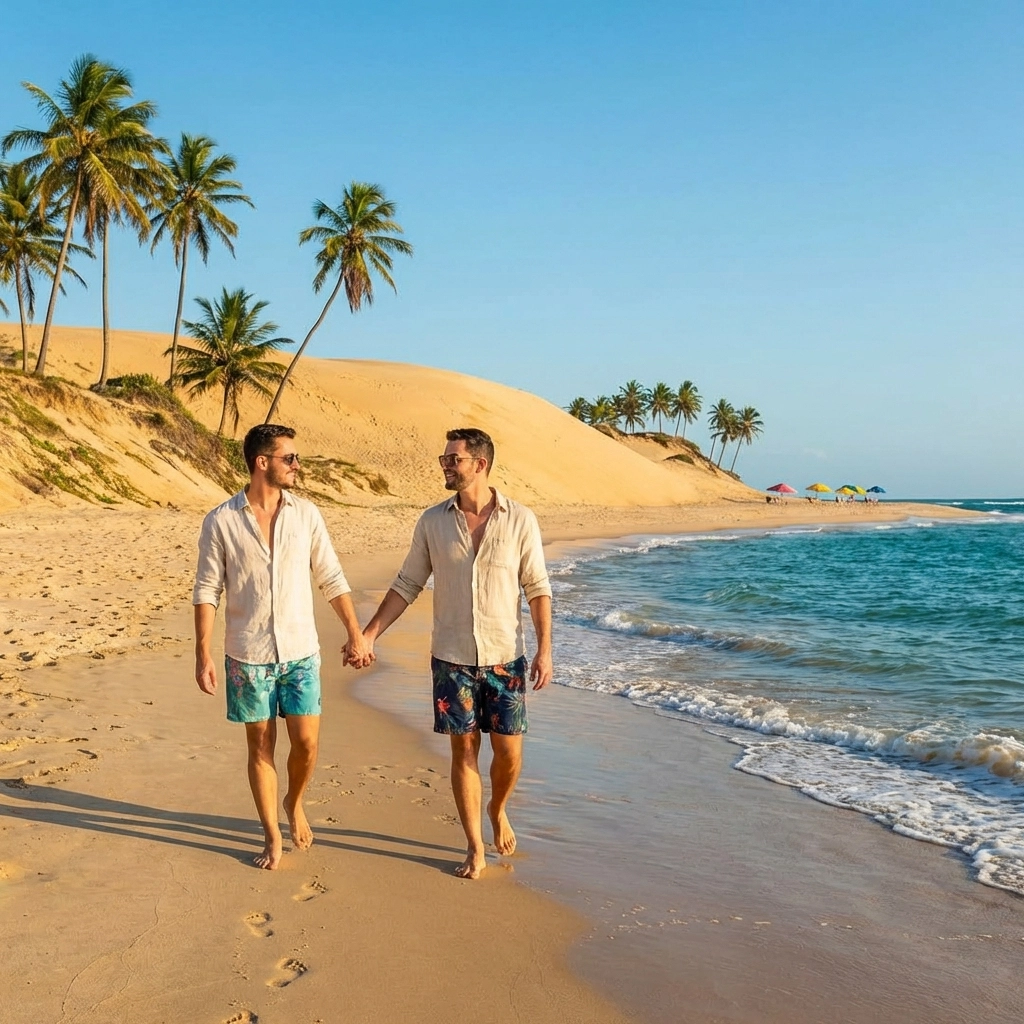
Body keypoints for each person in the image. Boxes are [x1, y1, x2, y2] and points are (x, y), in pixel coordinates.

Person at [361, 428, 553, 879]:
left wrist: (545, 650)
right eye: (445, 458)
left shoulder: (520, 519)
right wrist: (369, 634)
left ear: (480, 464)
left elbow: (538, 589)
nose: (445, 465)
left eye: (453, 459)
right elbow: (407, 584)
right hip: (451, 658)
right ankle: (473, 846)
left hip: (506, 656)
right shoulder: (432, 522)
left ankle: (498, 808)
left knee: (508, 754)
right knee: (463, 753)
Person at [192, 423, 372, 870]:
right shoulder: (221, 520)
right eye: (289, 458)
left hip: (300, 652)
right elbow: (207, 589)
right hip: (247, 653)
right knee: (260, 747)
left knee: (307, 743)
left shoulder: (306, 514)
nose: (297, 465)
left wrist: (354, 631)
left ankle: (294, 802)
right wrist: (203, 653)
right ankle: (271, 832)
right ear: (262, 462)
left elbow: (330, 575)